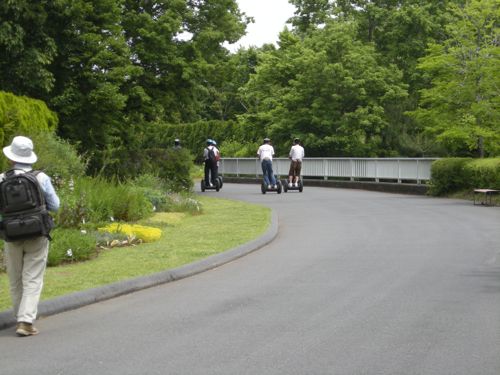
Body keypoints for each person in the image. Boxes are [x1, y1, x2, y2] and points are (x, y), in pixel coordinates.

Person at [1, 136, 60, 336]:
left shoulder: (2, 178)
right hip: (37, 233)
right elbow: (55, 206)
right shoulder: (40, 177)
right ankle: (26, 321)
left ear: (11, 157)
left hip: (11, 234)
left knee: (15, 278)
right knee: (33, 277)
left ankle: (20, 317)